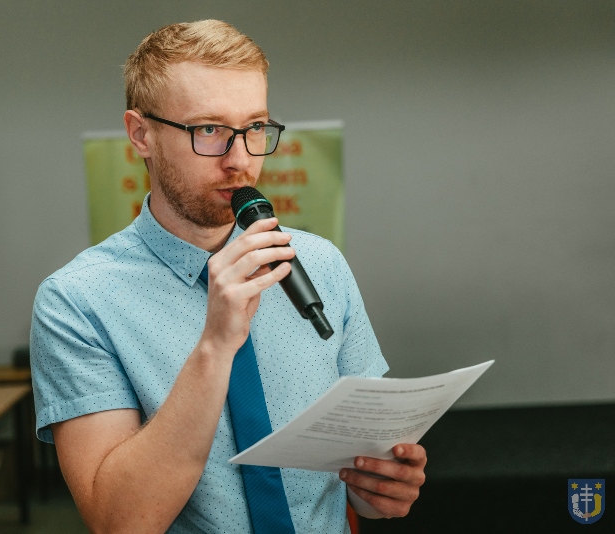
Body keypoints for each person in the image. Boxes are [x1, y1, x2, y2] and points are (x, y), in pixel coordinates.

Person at [30, 20, 426, 533]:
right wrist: (216, 346)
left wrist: (382, 488)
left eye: (255, 127)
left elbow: (362, 480)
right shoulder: (77, 300)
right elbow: (121, 522)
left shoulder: (319, 262)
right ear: (141, 134)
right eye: (208, 130)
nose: (239, 161)